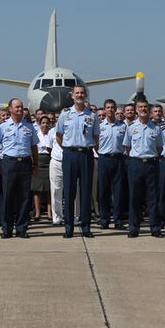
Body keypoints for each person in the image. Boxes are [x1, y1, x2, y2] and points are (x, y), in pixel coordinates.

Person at [0, 98, 37, 238]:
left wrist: (35, 164)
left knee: (24, 198)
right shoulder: (3, 127)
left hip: (25, 163)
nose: (19, 109)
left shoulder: (29, 126)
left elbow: (33, 146)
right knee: (8, 197)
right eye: (17, 107)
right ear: (10, 109)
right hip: (8, 164)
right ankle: (7, 228)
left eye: (21, 107)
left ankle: (22, 228)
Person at [57, 86, 99, 239]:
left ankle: (86, 226)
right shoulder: (65, 114)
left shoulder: (92, 116)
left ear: (85, 95)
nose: (80, 95)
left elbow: (96, 137)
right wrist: (70, 148)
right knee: (68, 191)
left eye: (82, 93)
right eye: (77, 93)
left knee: (86, 191)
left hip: (86, 154)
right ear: (72, 96)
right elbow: (59, 135)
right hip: (70, 154)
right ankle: (69, 227)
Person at [123, 100, 163, 238]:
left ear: (149, 110)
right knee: (134, 197)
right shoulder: (131, 127)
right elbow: (127, 147)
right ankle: (133, 228)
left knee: (153, 197)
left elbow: (159, 148)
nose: (143, 109)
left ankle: (155, 228)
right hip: (135, 164)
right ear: (136, 109)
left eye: (145, 107)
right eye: (140, 107)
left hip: (151, 164)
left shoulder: (156, 128)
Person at [96, 98, 127, 230]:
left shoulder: (122, 126)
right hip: (104, 159)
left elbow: (126, 144)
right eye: (107, 107)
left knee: (119, 191)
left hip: (119, 159)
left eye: (112, 107)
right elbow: (95, 143)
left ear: (115, 109)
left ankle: (118, 219)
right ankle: (104, 218)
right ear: (104, 109)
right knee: (103, 191)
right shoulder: (99, 126)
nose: (110, 110)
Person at [32, 115, 54, 222]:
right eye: (43, 123)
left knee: (49, 189)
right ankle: (37, 212)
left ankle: (50, 212)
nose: (45, 125)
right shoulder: (36, 135)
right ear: (39, 124)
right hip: (39, 161)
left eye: (47, 123)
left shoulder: (52, 134)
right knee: (37, 189)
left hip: (49, 160)